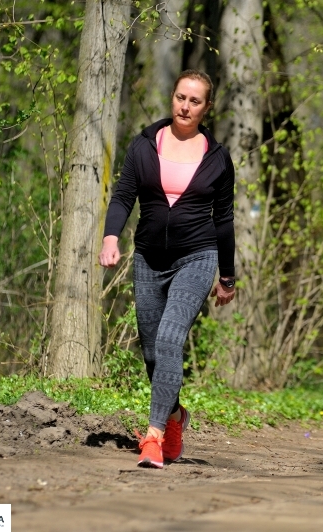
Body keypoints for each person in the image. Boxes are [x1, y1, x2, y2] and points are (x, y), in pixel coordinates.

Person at [99, 69, 236, 468]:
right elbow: (123, 196)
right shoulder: (144, 145)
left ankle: (155, 435)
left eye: (195, 101)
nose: (185, 106)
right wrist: (111, 237)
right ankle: (176, 415)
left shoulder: (217, 157)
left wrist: (226, 275)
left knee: (171, 337)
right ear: (172, 98)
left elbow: (224, 219)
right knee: (152, 350)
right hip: (147, 258)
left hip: (197, 256)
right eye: (180, 97)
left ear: (206, 107)